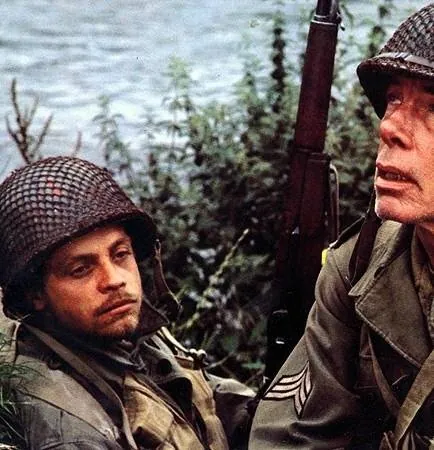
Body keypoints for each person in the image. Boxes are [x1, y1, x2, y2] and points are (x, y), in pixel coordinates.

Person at [249, 4, 434, 449]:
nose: (390, 127)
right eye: (393, 100)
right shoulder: (359, 266)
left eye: (432, 107)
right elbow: (292, 438)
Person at [0, 156, 254, 449]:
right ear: (35, 294)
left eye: (120, 254)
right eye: (81, 269)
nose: (114, 280)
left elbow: (202, 394)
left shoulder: (113, 329)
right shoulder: (72, 433)